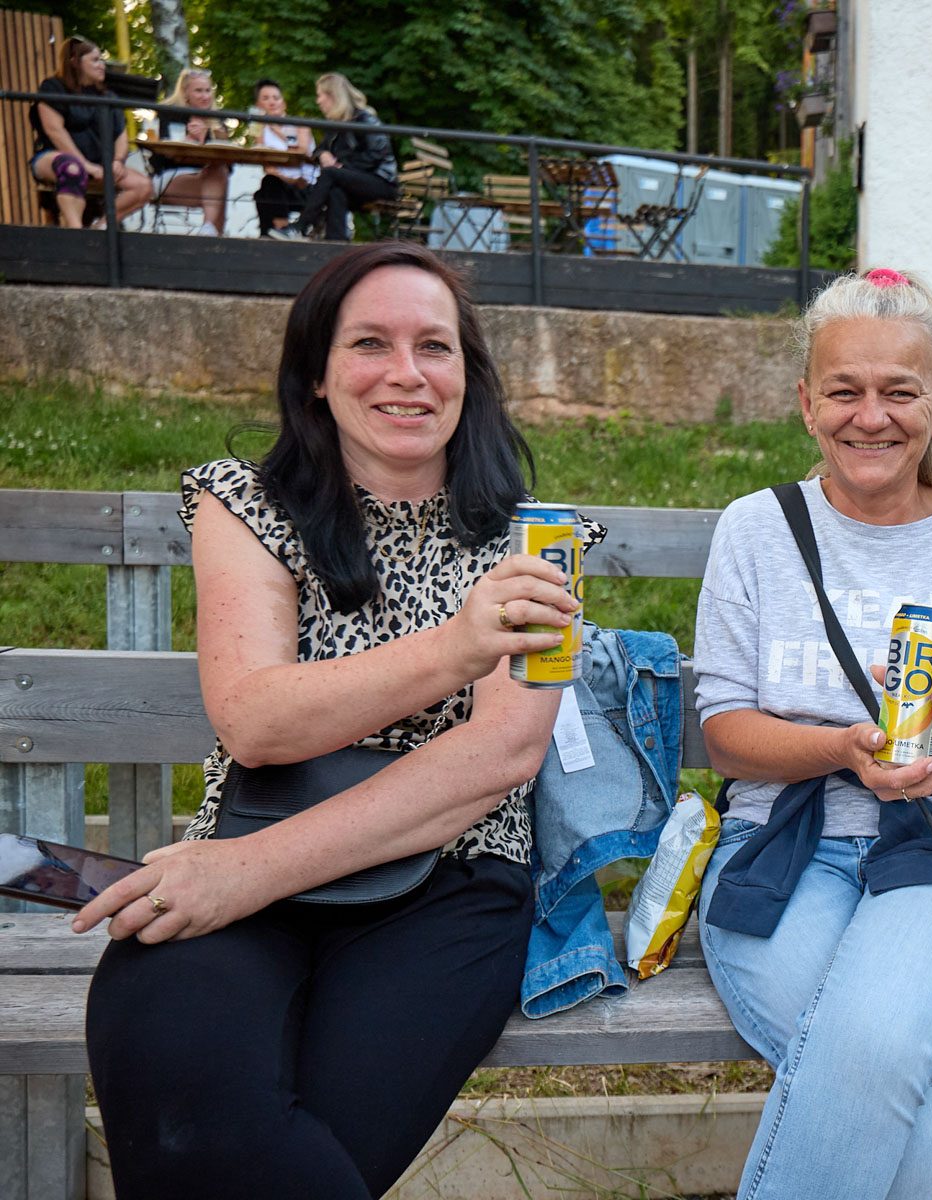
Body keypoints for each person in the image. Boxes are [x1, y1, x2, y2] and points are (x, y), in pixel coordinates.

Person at [76, 242, 598, 1199]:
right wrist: (456, 646)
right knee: (175, 1102)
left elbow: (501, 753)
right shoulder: (246, 505)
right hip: (249, 840)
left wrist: (245, 875)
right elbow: (257, 723)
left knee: (245, 1160)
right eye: (369, 344)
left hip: (449, 878)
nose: (407, 373)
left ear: (467, 374)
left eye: (434, 347)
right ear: (316, 373)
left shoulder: (536, 539)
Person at [691, 267, 932, 1200]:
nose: (871, 416)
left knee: (876, 1047)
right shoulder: (755, 529)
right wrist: (844, 748)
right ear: (807, 403)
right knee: (897, 1104)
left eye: (900, 391)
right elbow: (725, 735)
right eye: (844, 391)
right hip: (776, 847)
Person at [27, 36, 150, 228]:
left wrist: (118, 161)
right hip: (54, 157)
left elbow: (121, 135)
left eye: (102, 60)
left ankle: (100, 228)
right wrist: (86, 165)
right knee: (72, 168)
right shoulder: (53, 87)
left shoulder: (108, 96)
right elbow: (54, 130)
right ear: (75, 62)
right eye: (95, 60)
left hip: (100, 165)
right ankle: (77, 232)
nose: (102, 65)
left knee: (143, 186)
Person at [273, 72, 397, 242]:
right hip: (349, 179)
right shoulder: (335, 124)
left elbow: (376, 154)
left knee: (331, 174)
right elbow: (319, 149)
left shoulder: (365, 119)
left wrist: (343, 167)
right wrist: (323, 154)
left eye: (320, 95)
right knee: (335, 191)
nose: (318, 101)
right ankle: (336, 244)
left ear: (333, 96)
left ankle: (301, 227)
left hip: (381, 181)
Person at [147, 66, 230, 235]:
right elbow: (160, 156)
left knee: (220, 174)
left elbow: (230, 166)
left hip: (208, 180)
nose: (205, 96)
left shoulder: (216, 122)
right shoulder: (168, 113)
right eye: (199, 91)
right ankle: (213, 238)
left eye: (208, 91)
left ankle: (209, 230)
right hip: (171, 176)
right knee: (219, 188)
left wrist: (220, 142)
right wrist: (189, 139)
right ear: (185, 92)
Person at [249, 78, 318, 236]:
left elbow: (302, 152)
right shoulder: (261, 129)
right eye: (265, 98)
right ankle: (277, 232)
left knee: (266, 191)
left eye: (276, 98)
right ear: (258, 105)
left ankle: (273, 234)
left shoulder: (300, 125)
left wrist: (276, 129)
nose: (272, 102)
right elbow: (267, 166)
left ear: (284, 103)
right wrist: (263, 126)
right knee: (268, 186)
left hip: (306, 186)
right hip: (282, 184)